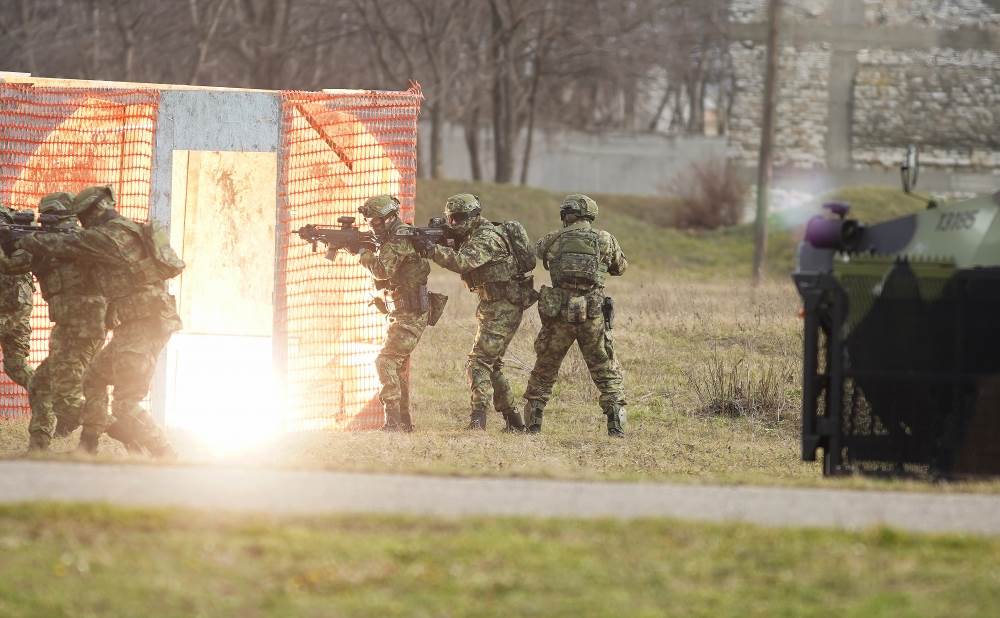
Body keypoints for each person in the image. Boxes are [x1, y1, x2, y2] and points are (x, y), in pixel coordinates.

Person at [20, 185, 183, 456]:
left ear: (96, 210)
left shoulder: (108, 236)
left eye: (84, 216)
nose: (82, 223)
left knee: (124, 404)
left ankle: (165, 454)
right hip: (135, 321)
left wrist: (23, 240)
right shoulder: (122, 229)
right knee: (94, 378)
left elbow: (68, 243)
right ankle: (88, 447)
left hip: (146, 321)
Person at [0, 193, 108, 451]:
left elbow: (13, 269)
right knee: (42, 384)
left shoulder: (73, 242)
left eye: (49, 219)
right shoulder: (67, 241)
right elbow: (16, 263)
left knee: (67, 397)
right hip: (76, 327)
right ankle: (39, 448)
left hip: (81, 328)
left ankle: (122, 427)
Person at [412, 193, 528, 431]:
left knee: (478, 363)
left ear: (475, 215)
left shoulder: (486, 237)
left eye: (459, 218)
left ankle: (478, 422)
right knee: (491, 364)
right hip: (495, 304)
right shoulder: (472, 233)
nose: (454, 223)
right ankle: (514, 422)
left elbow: (463, 262)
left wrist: (432, 249)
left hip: (503, 305)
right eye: (450, 219)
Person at [521, 194, 628, 437]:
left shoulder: (553, 238)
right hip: (592, 314)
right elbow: (620, 268)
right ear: (591, 214)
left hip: (559, 314)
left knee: (545, 367)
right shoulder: (605, 239)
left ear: (565, 215)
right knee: (604, 367)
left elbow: (538, 252)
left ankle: (533, 423)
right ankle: (616, 425)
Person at [336, 195, 433, 431]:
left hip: (411, 312)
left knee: (386, 361)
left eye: (376, 222)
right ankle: (403, 423)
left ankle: (393, 423)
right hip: (403, 310)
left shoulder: (399, 238)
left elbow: (381, 270)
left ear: (389, 218)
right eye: (371, 222)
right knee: (396, 365)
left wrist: (361, 252)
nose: (373, 226)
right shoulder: (393, 235)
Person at [0, 205, 34, 420]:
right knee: (15, 366)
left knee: (16, 365)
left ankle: (55, 399)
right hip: (14, 298)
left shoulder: (6, 218)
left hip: (13, 300)